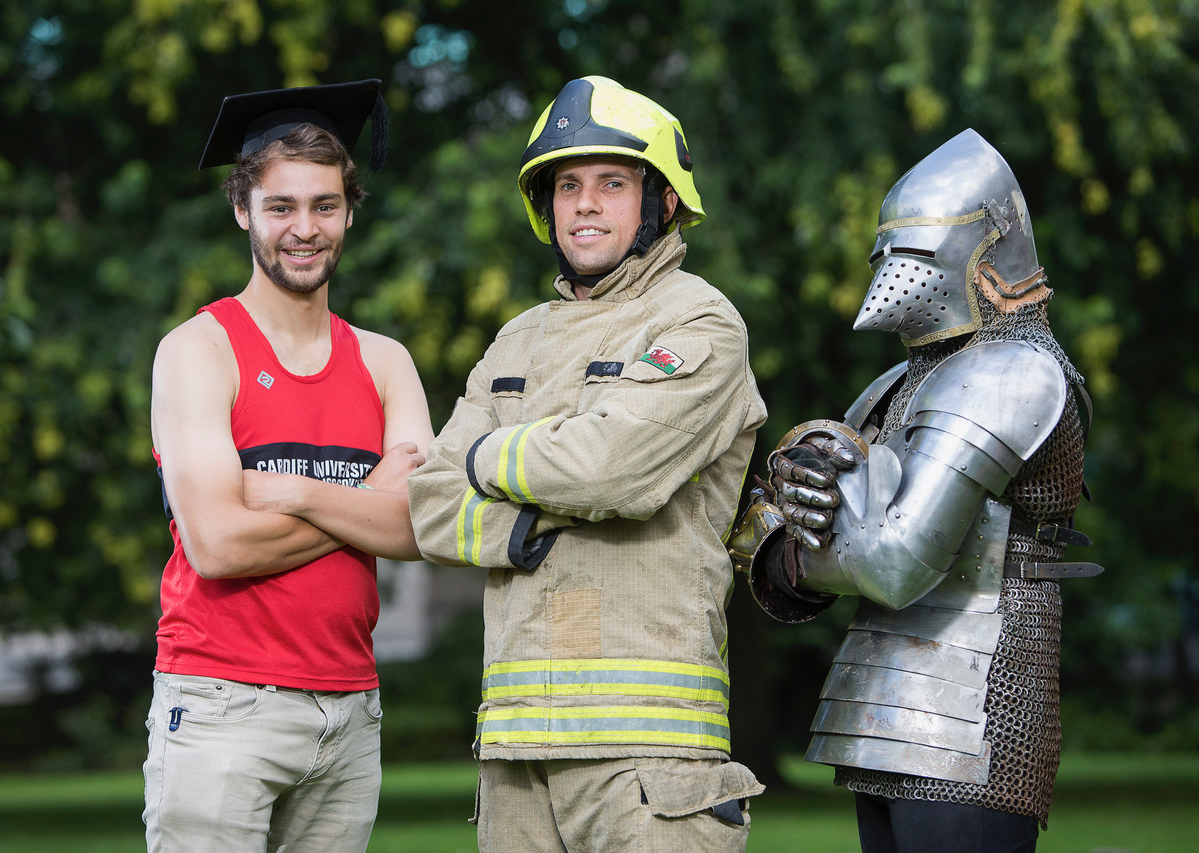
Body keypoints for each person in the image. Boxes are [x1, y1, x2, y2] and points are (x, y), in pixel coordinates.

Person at [406, 76, 768, 852]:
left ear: (663, 202)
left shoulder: (699, 318)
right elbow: (431, 503)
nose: (586, 204)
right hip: (512, 749)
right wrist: (516, 522)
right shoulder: (515, 338)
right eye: (567, 185)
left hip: (651, 759)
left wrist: (483, 454)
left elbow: (615, 468)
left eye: (612, 182)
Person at [729, 129, 1102, 852]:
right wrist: (790, 527)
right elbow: (818, 537)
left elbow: (893, 561)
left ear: (988, 253)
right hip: (882, 716)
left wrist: (785, 541)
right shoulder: (896, 386)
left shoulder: (1011, 372)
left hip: (973, 713)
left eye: (920, 252)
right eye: (888, 255)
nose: (897, 276)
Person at [144, 78, 433, 853]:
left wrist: (296, 490)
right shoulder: (197, 352)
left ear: (349, 210)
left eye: (325, 206)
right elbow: (219, 545)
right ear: (242, 209)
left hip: (350, 713)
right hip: (220, 705)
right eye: (281, 207)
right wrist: (364, 496)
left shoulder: (385, 362)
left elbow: (418, 525)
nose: (304, 229)